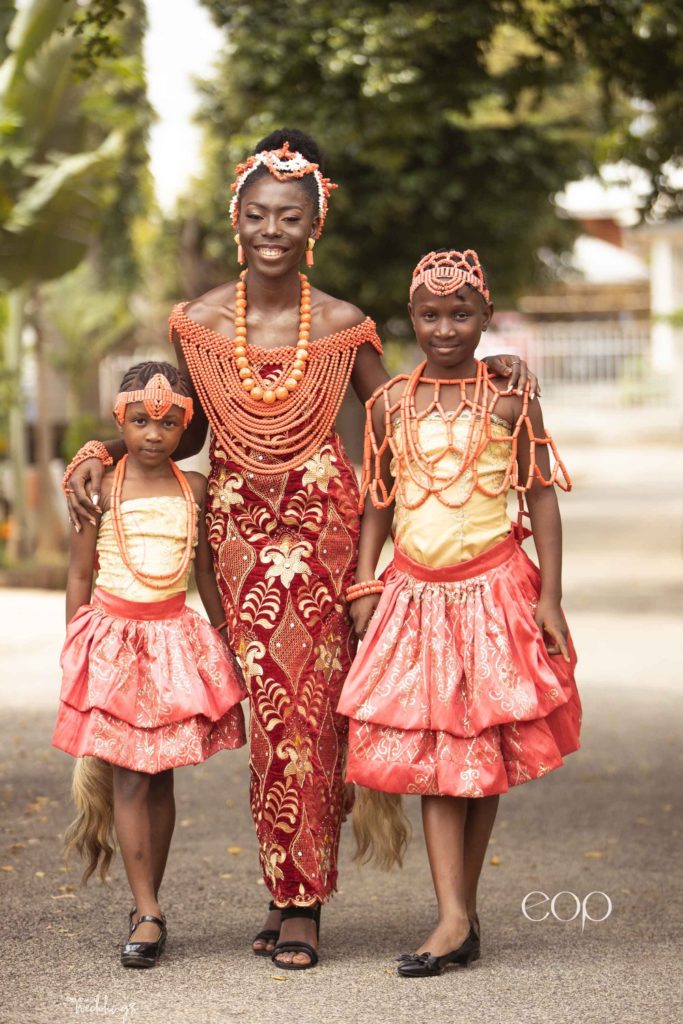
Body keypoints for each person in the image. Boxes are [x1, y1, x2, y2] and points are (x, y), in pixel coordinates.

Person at [62, 130, 538, 970]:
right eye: (256, 214)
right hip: (235, 538)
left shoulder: (347, 327)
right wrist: (103, 454)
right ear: (236, 220)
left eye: (289, 216)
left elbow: (397, 421)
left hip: (325, 535)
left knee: (309, 720)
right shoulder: (198, 326)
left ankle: (299, 903)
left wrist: (487, 375)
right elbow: (179, 432)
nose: (271, 229)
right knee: (264, 713)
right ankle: (282, 888)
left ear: (311, 226)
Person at [337, 248, 581, 977]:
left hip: (495, 592)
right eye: (430, 314)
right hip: (414, 598)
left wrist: (550, 597)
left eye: (461, 313)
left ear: (486, 315)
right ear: (410, 318)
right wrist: (362, 581)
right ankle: (450, 916)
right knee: (441, 760)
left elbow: (539, 496)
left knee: (482, 760)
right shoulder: (390, 404)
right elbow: (377, 498)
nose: (445, 328)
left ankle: (459, 913)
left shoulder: (509, 396)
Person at [54, 361, 246, 968]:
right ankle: (148, 911)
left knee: (159, 774)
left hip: (171, 642)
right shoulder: (100, 487)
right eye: (140, 422)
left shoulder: (196, 489)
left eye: (167, 424)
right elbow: (80, 574)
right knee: (130, 776)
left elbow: (207, 572)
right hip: (113, 643)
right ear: (120, 421)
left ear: (185, 426)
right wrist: (74, 650)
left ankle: (149, 900)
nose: (153, 435)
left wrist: (224, 635)